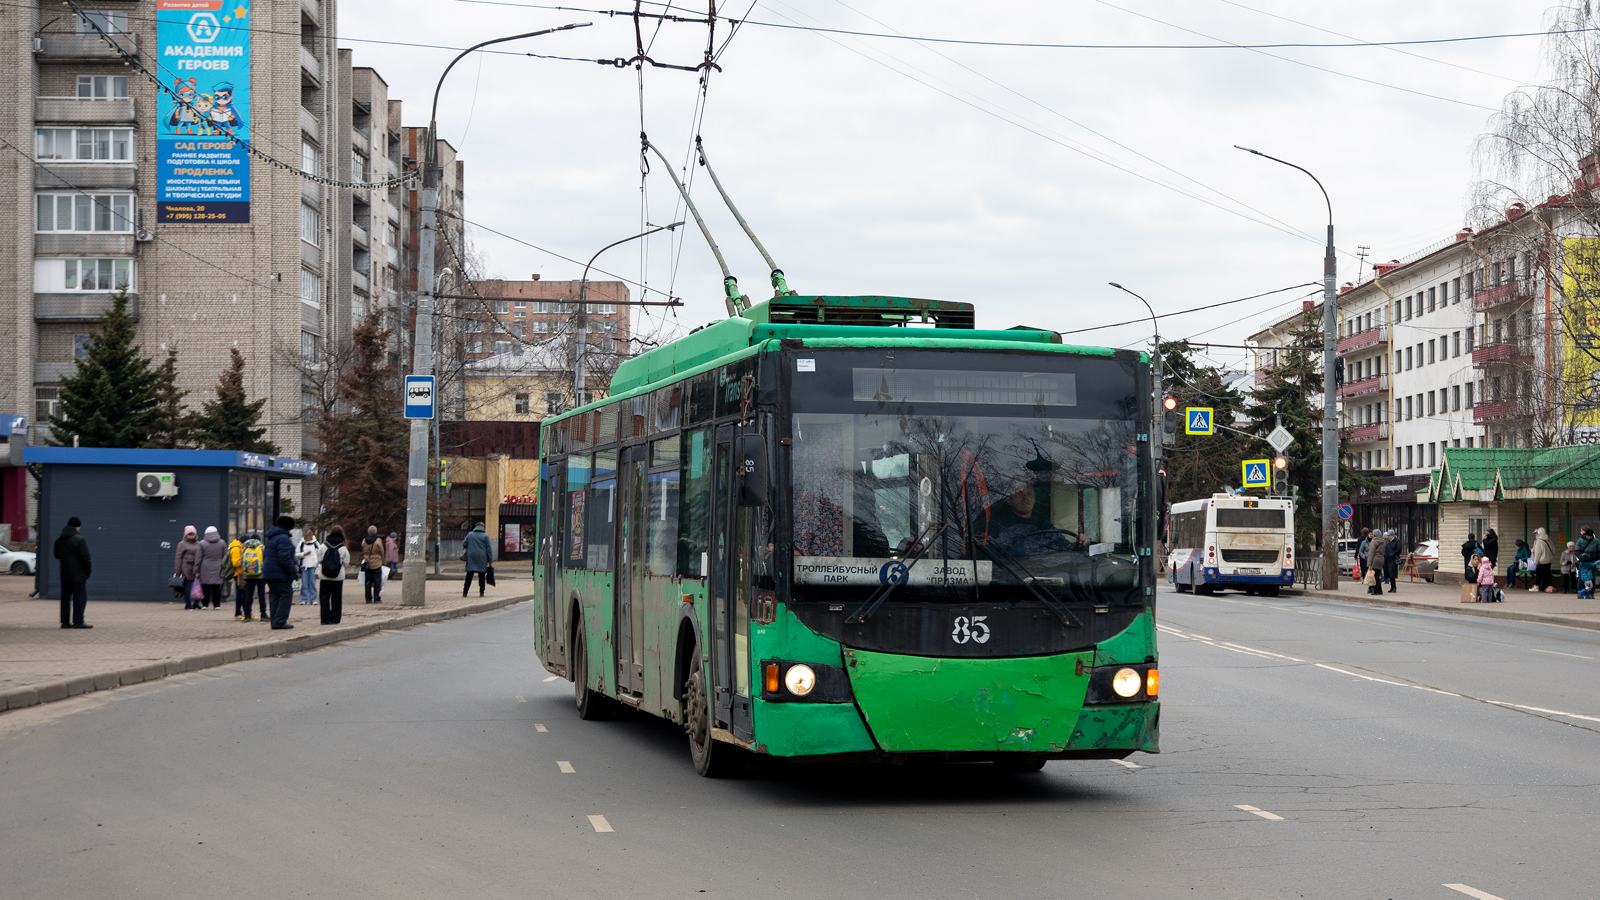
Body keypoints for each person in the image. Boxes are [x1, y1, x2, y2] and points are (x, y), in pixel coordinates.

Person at [53, 516, 92, 628]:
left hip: (64, 574)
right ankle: (78, 621)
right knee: (79, 598)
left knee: (65, 598)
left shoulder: (59, 540)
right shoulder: (79, 539)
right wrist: (88, 571)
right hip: (78, 575)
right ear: (77, 527)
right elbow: (86, 558)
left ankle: (65, 622)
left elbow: (56, 555)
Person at [263, 515, 297, 630]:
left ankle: (275, 620)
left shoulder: (271, 537)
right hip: (280, 573)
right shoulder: (283, 539)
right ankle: (280, 620)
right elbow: (285, 558)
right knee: (286, 593)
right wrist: (294, 572)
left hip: (269, 571)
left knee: (274, 595)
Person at [319, 526, 350, 625]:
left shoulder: (323, 546)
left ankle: (324, 619)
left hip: (324, 575)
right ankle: (335, 619)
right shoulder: (343, 548)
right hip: (338, 577)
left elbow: (319, 560)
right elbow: (346, 563)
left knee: (324, 598)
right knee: (336, 598)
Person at [238, 531, 267, 621]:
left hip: (248, 575)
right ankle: (263, 614)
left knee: (248, 595)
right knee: (261, 594)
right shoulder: (262, 547)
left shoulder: (246, 548)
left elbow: (241, 562)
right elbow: (266, 560)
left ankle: (247, 615)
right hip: (260, 575)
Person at [197, 526, 227, 608]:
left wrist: (196, 570)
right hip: (218, 566)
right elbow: (225, 556)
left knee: (205, 586)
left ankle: (205, 604)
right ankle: (217, 605)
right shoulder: (222, 543)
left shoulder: (202, 543)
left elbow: (198, 558)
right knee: (216, 586)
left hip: (205, 567)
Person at [463, 522, 493, 597]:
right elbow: (489, 549)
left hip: (471, 557)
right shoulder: (485, 536)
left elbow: (464, 543)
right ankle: (481, 592)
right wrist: (490, 560)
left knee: (469, 575)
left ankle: (465, 592)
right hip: (482, 558)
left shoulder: (470, 534)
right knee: (481, 575)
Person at [174, 525, 201, 609]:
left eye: (193, 534)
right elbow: (178, 557)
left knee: (197, 585)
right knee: (188, 585)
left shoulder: (199, 544)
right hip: (186, 567)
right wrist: (177, 570)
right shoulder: (182, 544)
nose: (191, 536)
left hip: (196, 566)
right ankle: (188, 603)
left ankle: (197, 602)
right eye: (189, 534)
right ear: (186, 535)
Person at [296, 529, 323, 606]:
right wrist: (304, 554)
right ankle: (303, 599)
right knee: (304, 583)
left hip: (313, 566)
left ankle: (313, 599)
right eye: (306, 537)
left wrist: (318, 564)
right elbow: (296, 554)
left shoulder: (315, 543)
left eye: (309, 537)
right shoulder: (301, 544)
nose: (307, 539)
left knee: (312, 583)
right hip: (304, 566)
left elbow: (320, 553)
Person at [361, 526, 386, 603]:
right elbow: (381, 551)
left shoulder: (364, 540)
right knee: (377, 581)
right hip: (377, 563)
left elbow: (363, 549)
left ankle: (368, 598)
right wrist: (381, 558)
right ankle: (376, 598)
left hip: (367, 563)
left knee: (368, 581)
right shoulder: (378, 540)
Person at [1365, 528, 1388, 595]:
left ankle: (1376, 590)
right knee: (1378, 574)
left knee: (1374, 576)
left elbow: (1371, 553)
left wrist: (1369, 563)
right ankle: (1380, 590)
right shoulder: (1383, 541)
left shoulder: (1374, 541)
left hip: (1375, 559)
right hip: (1381, 559)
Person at [1532, 527, 1556, 593]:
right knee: (1547, 574)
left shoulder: (1539, 541)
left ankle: (1543, 587)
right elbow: (1553, 550)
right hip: (1549, 560)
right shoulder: (1549, 540)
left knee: (1541, 574)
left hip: (1542, 560)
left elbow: (1538, 553)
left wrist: (1536, 561)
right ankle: (1549, 586)